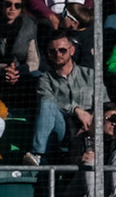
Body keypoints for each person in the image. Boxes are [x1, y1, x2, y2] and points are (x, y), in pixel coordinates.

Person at [24, 35, 94, 164]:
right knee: (47, 104)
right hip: (63, 127)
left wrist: (91, 122)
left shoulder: (90, 75)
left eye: (62, 50)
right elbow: (49, 101)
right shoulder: (45, 79)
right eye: (53, 51)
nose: (58, 54)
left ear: (71, 50)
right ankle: (38, 154)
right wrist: (76, 109)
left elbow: (105, 102)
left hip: (90, 128)